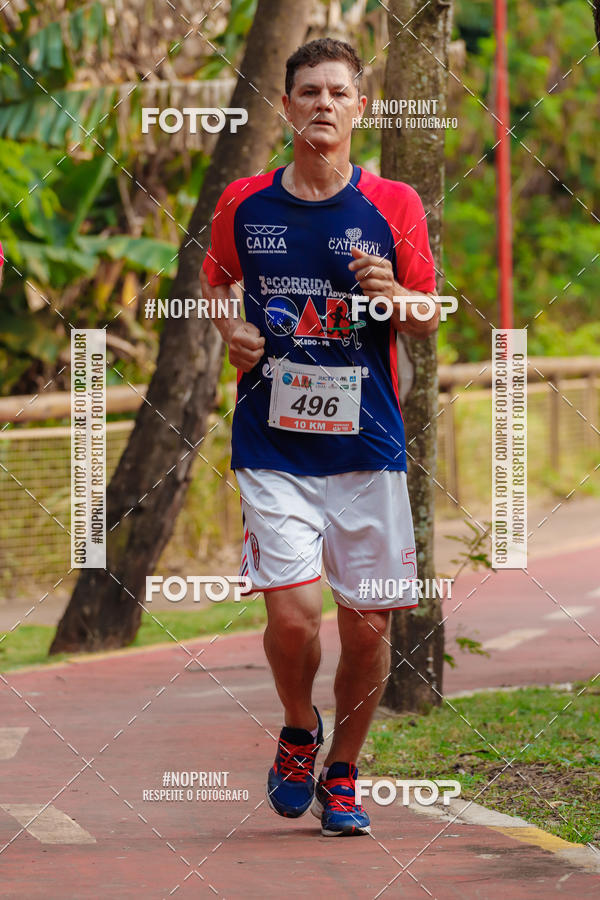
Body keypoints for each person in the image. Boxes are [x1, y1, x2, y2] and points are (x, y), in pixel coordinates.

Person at [200, 37, 439, 837]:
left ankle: (345, 770)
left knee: (369, 629)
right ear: (287, 105)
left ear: (360, 109)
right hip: (273, 445)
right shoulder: (244, 201)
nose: (323, 104)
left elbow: (427, 318)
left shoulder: (394, 204)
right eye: (309, 92)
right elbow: (217, 286)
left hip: (367, 445)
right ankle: (300, 730)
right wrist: (231, 328)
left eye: (339, 92)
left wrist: (396, 292)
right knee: (296, 616)